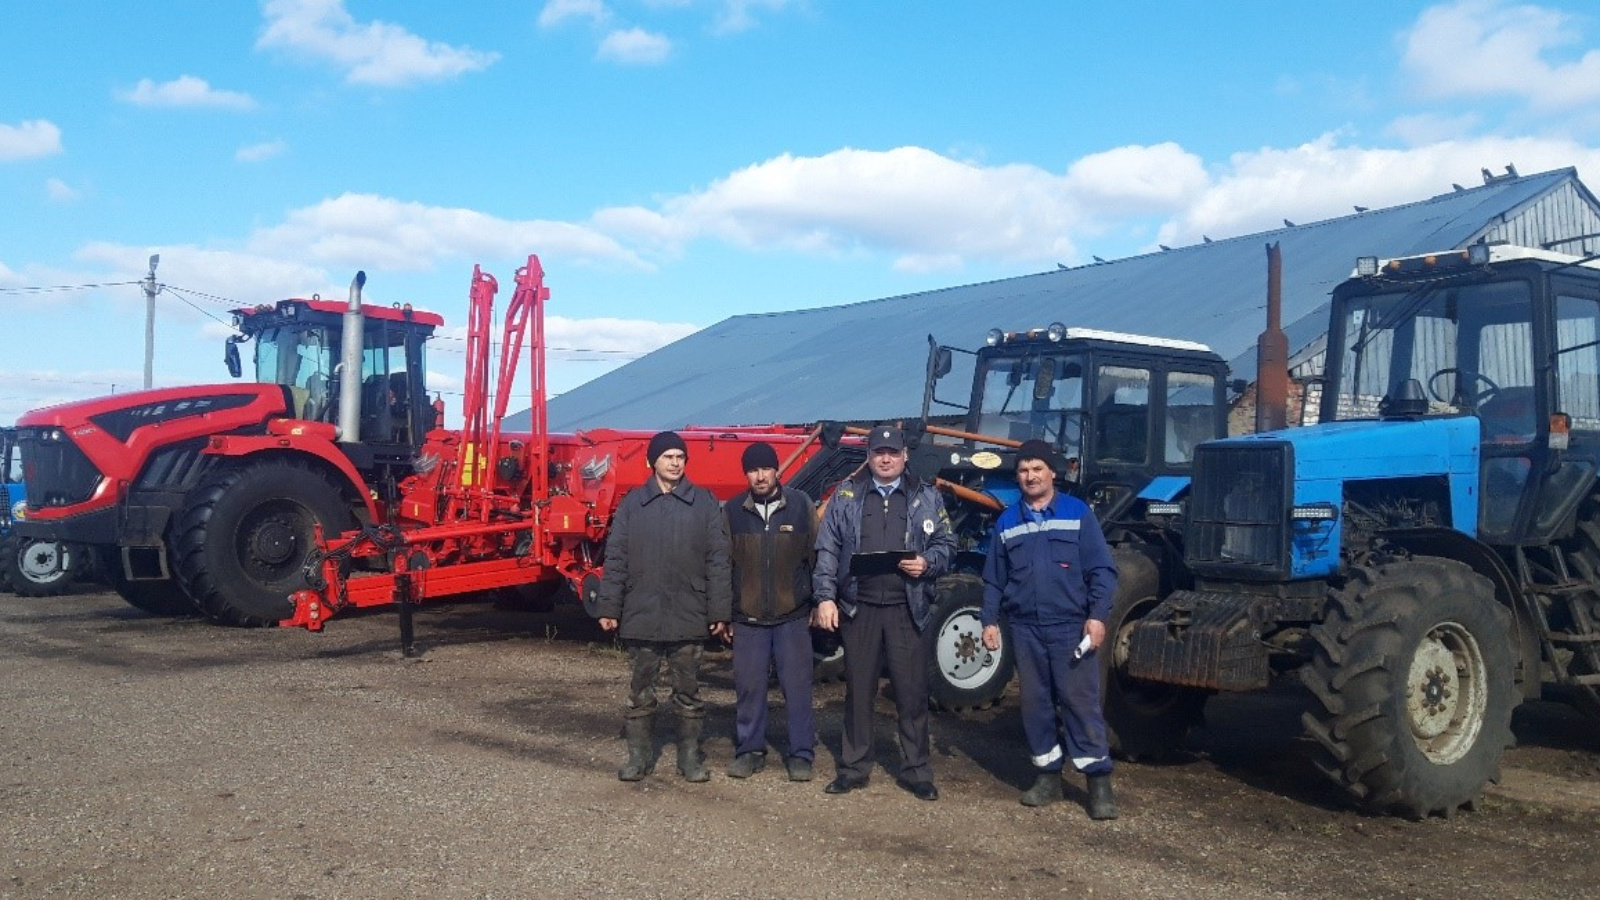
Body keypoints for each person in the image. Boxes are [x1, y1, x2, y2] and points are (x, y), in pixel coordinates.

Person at [814, 424, 954, 801]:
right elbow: (827, 549)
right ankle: (854, 767)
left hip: (907, 609)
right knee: (859, 692)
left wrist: (927, 563)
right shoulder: (846, 497)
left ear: (905, 456)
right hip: (860, 609)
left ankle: (916, 770)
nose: (886, 459)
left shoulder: (926, 497)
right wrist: (825, 597)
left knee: (911, 693)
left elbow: (947, 543)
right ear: (869, 457)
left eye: (893, 453)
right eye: (879, 453)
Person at [980, 439, 1119, 818]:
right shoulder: (1007, 522)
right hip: (1025, 628)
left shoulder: (1077, 514)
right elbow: (994, 579)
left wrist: (1098, 616)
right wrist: (989, 620)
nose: (1030, 476)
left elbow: (1101, 571)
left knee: (1079, 702)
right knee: (1035, 705)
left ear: (1052, 473)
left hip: (1071, 627)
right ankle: (1047, 776)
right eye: (1024, 471)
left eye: (1037, 469)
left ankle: (1098, 783)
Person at [593, 431, 733, 783]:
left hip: (688, 612)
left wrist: (719, 612)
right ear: (652, 461)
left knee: (688, 692)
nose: (674, 462)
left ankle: (689, 759)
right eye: (668, 456)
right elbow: (616, 558)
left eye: (680, 457)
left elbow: (718, 561)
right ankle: (638, 759)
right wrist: (609, 607)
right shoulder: (632, 504)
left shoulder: (703, 503)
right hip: (643, 613)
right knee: (640, 691)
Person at [723, 441, 818, 782]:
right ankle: (750, 750)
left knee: (798, 688)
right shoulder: (732, 511)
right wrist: (722, 613)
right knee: (749, 688)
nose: (760, 476)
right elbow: (722, 565)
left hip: (792, 615)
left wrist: (819, 600)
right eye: (752, 470)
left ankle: (801, 753)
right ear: (746, 473)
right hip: (747, 618)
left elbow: (816, 557)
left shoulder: (800, 506)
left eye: (765, 469)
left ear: (777, 470)